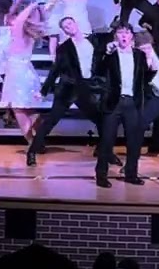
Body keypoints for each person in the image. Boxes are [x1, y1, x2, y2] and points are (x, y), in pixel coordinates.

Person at [26, 15, 110, 167]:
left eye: (70, 23)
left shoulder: (93, 41)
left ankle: (103, 150)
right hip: (68, 88)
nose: (69, 27)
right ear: (64, 31)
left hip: (86, 87)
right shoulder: (64, 48)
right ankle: (32, 151)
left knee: (101, 119)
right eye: (66, 27)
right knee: (51, 120)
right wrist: (44, 91)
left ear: (75, 23)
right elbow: (55, 70)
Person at [97, 25, 149, 187]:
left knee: (134, 141)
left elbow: (144, 78)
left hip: (132, 102)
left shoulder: (139, 55)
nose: (124, 36)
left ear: (132, 36)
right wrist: (105, 53)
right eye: (120, 33)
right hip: (114, 102)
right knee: (107, 140)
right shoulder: (110, 55)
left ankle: (131, 174)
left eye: (127, 32)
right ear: (115, 36)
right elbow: (97, 70)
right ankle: (101, 175)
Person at [0, 2, 47, 141]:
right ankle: (39, 137)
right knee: (28, 109)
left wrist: (32, 6)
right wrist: (36, 9)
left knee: (18, 109)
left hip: (17, 75)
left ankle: (32, 142)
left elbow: (19, 21)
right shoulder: (29, 33)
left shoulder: (18, 32)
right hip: (27, 73)